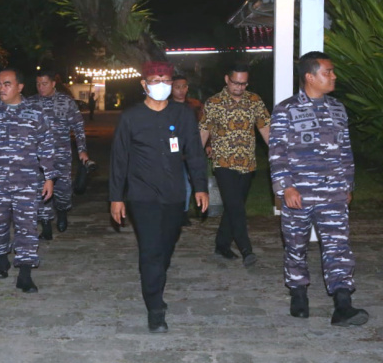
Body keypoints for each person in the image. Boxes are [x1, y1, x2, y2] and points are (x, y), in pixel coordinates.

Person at [269, 51, 368, 327]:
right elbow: (277, 152)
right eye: (328, 72)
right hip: (299, 193)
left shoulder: (337, 108)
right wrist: (286, 188)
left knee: (338, 247)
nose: (333, 76)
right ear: (310, 77)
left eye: (332, 71)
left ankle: (343, 304)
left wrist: (347, 184)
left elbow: (346, 150)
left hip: (333, 192)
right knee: (295, 245)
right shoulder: (286, 109)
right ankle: (298, 294)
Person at [110, 61, 209, 333]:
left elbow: (194, 153)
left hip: (174, 194)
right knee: (151, 249)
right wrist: (116, 197)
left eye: (166, 81)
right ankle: (155, 308)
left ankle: (154, 277)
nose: (161, 86)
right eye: (155, 81)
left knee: (165, 247)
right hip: (142, 195)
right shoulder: (131, 117)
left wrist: (200, 187)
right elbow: (119, 159)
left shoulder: (183, 114)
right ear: (144, 84)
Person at [0, 68, 56, 293]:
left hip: (27, 181)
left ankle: (25, 273)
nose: (1, 88)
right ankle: (1, 259)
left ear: (20, 87)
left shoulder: (36, 113)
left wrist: (49, 176)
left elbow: (46, 145)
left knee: (27, 227)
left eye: (7, 84)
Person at [199, 62, 270, 266]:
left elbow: (266, 129)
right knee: (236, 207)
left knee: (233, 206)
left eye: (243, 83)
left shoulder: (254, 100)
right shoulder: (214, 102)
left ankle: (222, 245)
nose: (239, 87)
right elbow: (203, 131)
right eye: (236, 83)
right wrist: (194, 160)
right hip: (223, 163)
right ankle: (246, 249)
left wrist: (279, 153)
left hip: (247, 163)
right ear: (227, 79)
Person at [29, 71, 88, 239]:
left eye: (44, 84)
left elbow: (78, 127)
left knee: (63, 188)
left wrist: (82, 149)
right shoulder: (30, 103)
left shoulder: (66, 101)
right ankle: (46, 224)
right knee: (41, 189)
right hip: (38, 156)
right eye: (38, 84)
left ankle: (62, 212)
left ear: (53, 83)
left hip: (61, 153)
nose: (41, 87)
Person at [170, 74, 203, 226]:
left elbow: (204, 126)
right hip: (173, 152)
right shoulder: (166, 107)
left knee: (188, 184)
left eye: (184, 87)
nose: (181, 90)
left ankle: (183, 212)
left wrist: (207, 144)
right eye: (177, 87)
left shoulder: (194, 106)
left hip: (191, 152)